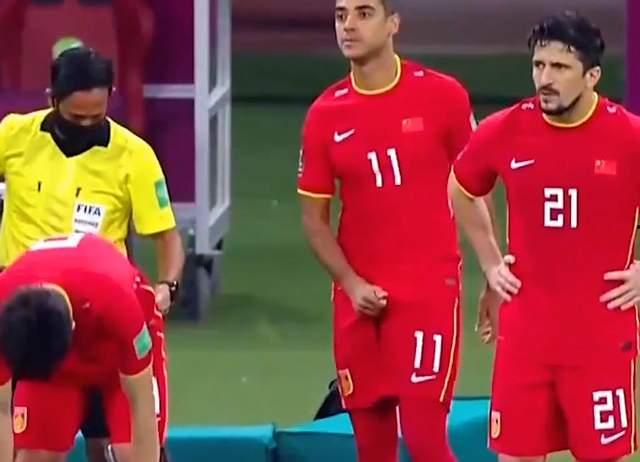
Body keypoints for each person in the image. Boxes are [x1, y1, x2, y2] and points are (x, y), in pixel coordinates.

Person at [449, 11, 640, 462]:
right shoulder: (505, 130)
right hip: (525, 336)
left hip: (600, 336)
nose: (545, 79)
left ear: (592, 76)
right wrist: (490, 261)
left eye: (560, 67)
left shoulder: (629, 137)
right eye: (539, 65)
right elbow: (460, 187)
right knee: (516, 456)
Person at [297, 0, 481, 460]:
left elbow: (475, 190)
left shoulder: (443, 96)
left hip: (428, 293)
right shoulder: (324, 114)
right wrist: (351, 283)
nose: (349, 26)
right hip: (357, 301)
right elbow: (314, 220)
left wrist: (493, 271)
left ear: (393, 23)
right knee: (372, 448)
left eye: (364, 13)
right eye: (341, 15)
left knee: (425, 441)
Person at [0, 47, 184, 460]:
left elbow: (166, 236)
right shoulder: (12, 136)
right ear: (52, 98)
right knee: (33, 453)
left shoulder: (134, 155)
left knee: (120, 451)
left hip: (103, 315)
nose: (84, 125)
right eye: (74, 117)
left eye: (95, 116)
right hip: (35, 320)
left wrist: (167, 286)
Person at [0, 233, 163, 462]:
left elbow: (142, 400)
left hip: (117, 354)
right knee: (35, 456)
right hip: (55, 359)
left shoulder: (116, 298)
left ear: (73, 327)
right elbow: (1, 409)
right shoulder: (4, 309)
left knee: (130, 454)